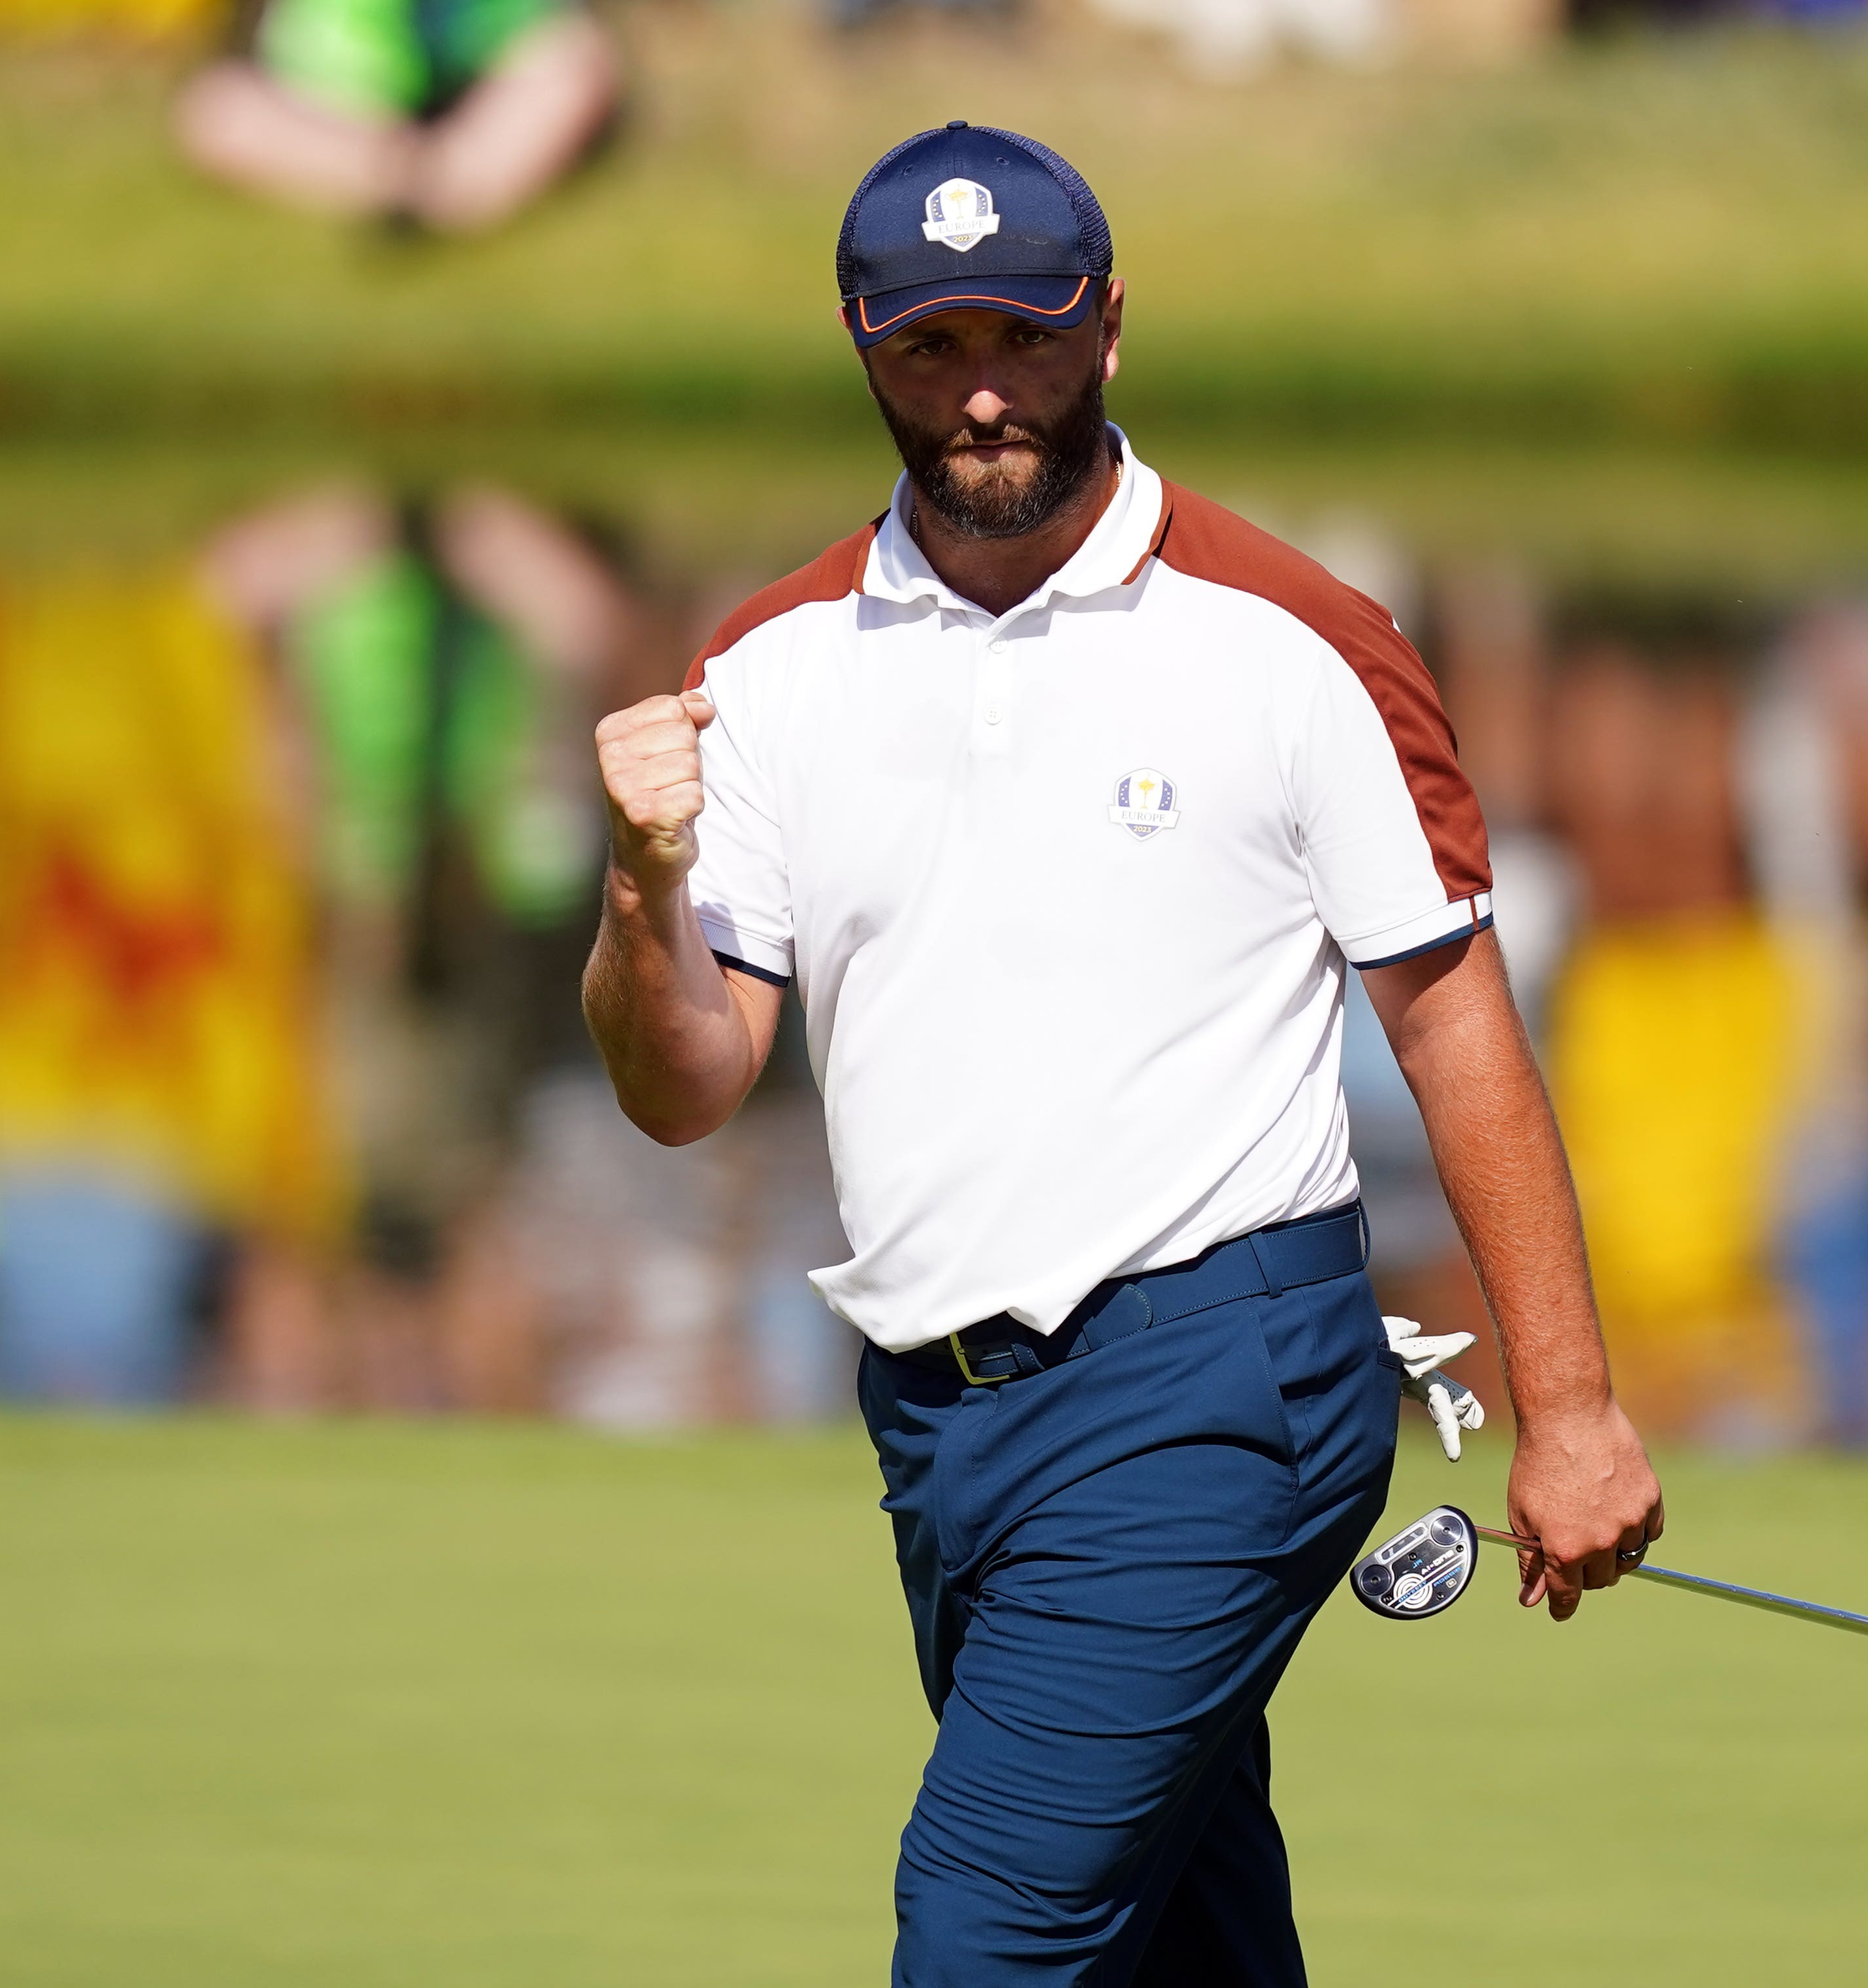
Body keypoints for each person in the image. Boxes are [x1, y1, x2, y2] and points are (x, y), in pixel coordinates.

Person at [580, 123, 1663, 1983]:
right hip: (938, 1413)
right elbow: (687, 1084)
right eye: (928, 349)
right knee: (1182, 1938)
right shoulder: (768, 666)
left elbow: (1452, 1022)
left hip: (1216, 1385)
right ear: (861, 346)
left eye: (1025, 336)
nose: (982, 393)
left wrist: (1565, 1412)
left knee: (988, 1929)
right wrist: (634, 887)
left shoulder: (1293, 638)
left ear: (1107, 326)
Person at [174, 0, 620, 233]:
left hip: (481, 87)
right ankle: (427, 185)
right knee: (218, 112)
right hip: (341, 112)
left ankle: (444, 189)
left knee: (577, 67)